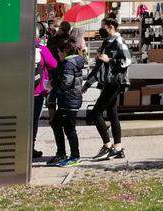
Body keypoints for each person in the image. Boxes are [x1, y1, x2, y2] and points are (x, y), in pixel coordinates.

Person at [85, 18, 131, 161]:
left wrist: (109, 60)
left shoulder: (119, 42)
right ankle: (117, 147)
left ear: (110, 27)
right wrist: (88, 83)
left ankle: (107, 145)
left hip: (115, 83)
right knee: (112, 114)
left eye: (103, 27)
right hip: (107, 82)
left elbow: (127, 61)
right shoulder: (106, 42)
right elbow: (99, 66)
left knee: (96, 113)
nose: (101, 29)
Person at [48, 35, 86, 167]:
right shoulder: (72, 61)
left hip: (70, 100)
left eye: (59, 52)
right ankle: (61, 153)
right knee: (56, 124)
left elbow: (67, 82)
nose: (58, 54)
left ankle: (75, 156)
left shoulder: (69, 63)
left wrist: (54, 85)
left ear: (64, 51)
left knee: (70, 129)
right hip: (67, 100)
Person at [32, 23, 58, 158]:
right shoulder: (41, 48)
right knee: (34, 120)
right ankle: (31, 147)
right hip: (37, 91)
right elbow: (54, 64)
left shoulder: (20, 48)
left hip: (21, 92)